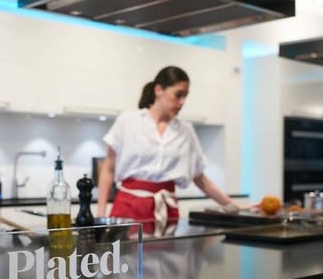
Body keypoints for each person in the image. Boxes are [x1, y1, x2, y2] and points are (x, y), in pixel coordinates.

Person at [97, 66, 238, 230]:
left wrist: (233, 206)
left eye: (185, 96)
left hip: (167, 209)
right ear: (159, 90)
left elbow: (201, 179)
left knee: (167, 254)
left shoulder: (186, 131)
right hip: (128, 209)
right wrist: (101, 215)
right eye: (178, 95)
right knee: (127, 256)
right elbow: (108, 169)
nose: (182, 102)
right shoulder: (128, 122)